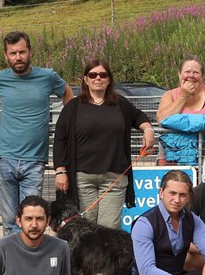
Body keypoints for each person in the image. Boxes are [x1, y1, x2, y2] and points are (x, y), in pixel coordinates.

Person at [0, 31, 71, 234]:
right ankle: (14, 264)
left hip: (34, 161)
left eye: (22, 52)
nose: (18, 57)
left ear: (30, 52)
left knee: (32, 220)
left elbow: (66, 93)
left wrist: (71, 120)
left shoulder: (47, 76)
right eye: (13, 53)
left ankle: (28, 263)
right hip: (5, 158)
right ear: (6, 56)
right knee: (9, 221)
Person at [53, 58, 155, 229]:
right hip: (82, 178)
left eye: (102, 75)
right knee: (85, 229)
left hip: (114, 178)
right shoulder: (73, 107)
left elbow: (139, 117)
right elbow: (60, 139)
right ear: (86, 79)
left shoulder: (120, 103)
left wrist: (148, 130)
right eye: (92, 75)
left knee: (109, 230)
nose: (97, 78)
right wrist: (60, 171)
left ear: (109, 79)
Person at [156, 56, 205, 166]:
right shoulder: (169, 95)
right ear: (179, 74)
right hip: (175, 161)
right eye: (187, 72)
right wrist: (182, 97)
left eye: (195, 72)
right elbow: (162, 119)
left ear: (202, 76)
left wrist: (192, 122)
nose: (191, 76)